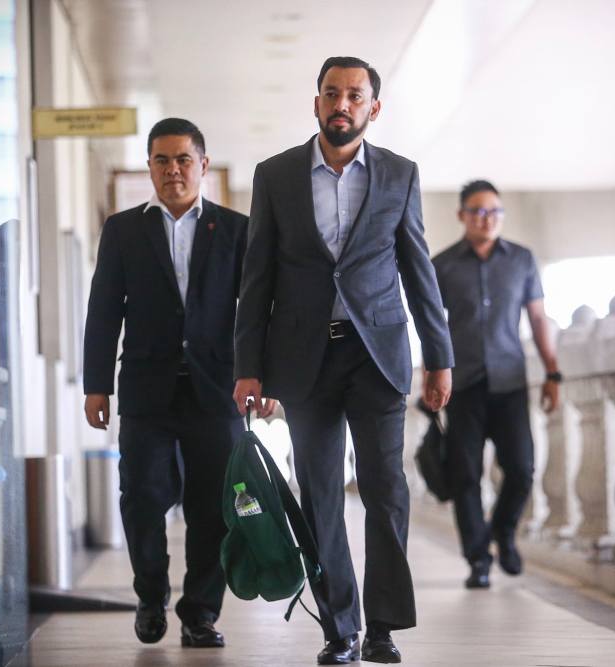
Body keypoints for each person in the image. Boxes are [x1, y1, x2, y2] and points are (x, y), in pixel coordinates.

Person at [233, 56, 453, 665]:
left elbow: (418, 268)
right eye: (332, 93)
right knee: (320, 493)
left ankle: (381, 626)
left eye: (355, 95)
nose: (342, 104)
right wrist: (249, 365)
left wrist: (440, 357)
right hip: (303, 357)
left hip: (376, 353)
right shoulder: (275, 175)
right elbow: (257, 275)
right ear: (317, 103)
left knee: (386, 490)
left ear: (373, 108)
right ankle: (340, 628)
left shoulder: (399, 174)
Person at [83, 118, 250, 649]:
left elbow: (257, 312)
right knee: (142, 495)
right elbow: (103, 311)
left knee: (213, 506)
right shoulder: (123, 230)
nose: (173, 170)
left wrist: (261, 375)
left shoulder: (236, 229)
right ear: (149, 167)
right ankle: (150, 596)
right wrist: (96, 384)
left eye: (183, 159)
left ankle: (200, 613)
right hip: (146, 390)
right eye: (162, 160)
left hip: (216, 388)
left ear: (202, 164)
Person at [431, 179, 561, 590]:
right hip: (462, 385)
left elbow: (538, 319)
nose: (487, 219)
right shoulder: (442, 265)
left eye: (494, 212)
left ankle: (503, 532)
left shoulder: (521, 260)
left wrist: (552, 372)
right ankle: (478, 560)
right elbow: (432, 325)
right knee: (465, 477)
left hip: (509, 383)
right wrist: (433, 372)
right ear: (462, 215)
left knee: (521, 469)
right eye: (478, 211)